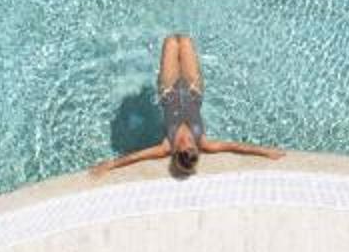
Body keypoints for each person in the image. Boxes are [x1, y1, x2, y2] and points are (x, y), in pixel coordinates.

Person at [91, 33, 282, 179]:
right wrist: (266, 151)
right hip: (193, 89)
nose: (190, 145)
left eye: (187, 149)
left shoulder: (166, 146)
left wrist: (110, 165)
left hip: (168, 90)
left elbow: (135, 157)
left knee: (171, 42)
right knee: (185, 41)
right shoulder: (203, 142)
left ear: (177, 153)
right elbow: (235, 146)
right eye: (194, 150)